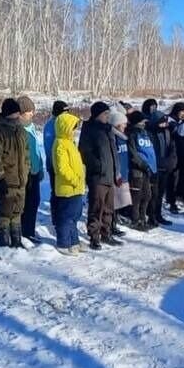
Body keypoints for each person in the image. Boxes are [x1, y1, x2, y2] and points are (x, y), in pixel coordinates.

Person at [80, 102, 122, 250]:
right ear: (97, 115)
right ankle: (94, 236)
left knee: (109, 208)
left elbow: (113, 152)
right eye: (105, 114)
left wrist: (117, 171)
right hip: (97, 176)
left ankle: (106, 233)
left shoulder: (108, 129)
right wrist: (98, 166)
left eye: (108, 114)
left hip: (110, 175)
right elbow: (84, 152)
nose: (107, 117)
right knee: (96, 208)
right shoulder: (89, 129)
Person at [0, 98, 29, 249]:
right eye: (15, 113)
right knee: (5, 213)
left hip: (21, 180)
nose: (18, 116)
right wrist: (0, 178)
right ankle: (4, 242)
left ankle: (17, 240)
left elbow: (26, 155)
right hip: (7, 180)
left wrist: (27, 171)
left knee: (18, 211)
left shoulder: (21, 131)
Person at [52, 112, 85, 255]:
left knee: (74, 217)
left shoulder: (70, 143)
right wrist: (74, 179)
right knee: (66, 217)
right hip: (67, 187)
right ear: (65, 128)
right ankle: (63, 243)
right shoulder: (60, 144)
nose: (74, 131)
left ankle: (74, 241)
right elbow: (62, 168)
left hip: (76, 187)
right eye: (72, 128)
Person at [18, 96, 44, 244]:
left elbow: (36, 150)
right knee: (25, 204)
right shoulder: (19, 128)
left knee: (34, 201)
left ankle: (30, 229)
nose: (32, 114)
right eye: (29, 112)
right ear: (21, 113)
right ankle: (25, 232)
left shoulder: (31, 126)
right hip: (24, 172)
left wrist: (40, 166)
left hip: (34, 171)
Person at [143, 99, 174, 227]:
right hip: (154, 167)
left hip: (164, 166)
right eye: (162, 123)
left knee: (160, 194)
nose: (164, 125)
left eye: (165, 123)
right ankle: (151, 216)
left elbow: (170, 148)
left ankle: (158, 214)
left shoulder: (166, 132)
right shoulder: (150, 133)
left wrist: (170, 161)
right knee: (153, 194)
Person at [126, 110, 157, 231]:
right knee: (137, 196)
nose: (145, 123)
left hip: (148, 170)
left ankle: (143, 218)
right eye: (143, 121)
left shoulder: (145, 134)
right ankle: (136, 219)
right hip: (137, 170)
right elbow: (133, 153)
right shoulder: (132, 134)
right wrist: (142, 164)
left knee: (147, 195)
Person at [44, 100, 69, 231]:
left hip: (64, 165)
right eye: (64, 112)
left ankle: (63, 214)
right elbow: (49, 149)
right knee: (56, 192)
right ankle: (56, 216)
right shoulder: (50, 126)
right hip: (54, 165)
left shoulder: (63, 124)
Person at [110, 109, 132, 233]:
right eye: (124, 124)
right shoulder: (114, 138)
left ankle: (116, 219)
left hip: (124, 174)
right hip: (116, 175)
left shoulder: (123, 137)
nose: (125, 126)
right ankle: (111, 225)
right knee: (114, 202)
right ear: (118, 124)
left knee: (120, 201)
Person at [165, 102, 184, 213]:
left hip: (180, 152)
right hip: (171, 153)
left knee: (180, 177)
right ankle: (171, 201)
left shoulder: (181, 122)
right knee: (172, 178)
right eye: (182, 111)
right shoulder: (170, 121)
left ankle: (179, 197)